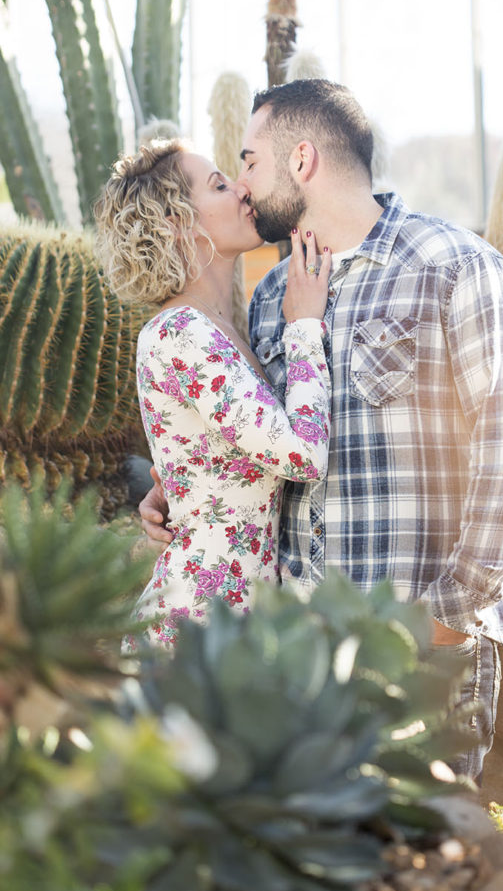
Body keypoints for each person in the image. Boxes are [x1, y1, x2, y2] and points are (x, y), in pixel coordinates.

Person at [140, 81, 503, 780]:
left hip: (417, 645)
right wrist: (175, 488)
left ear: (300, 161)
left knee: (420, 868)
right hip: (294, 654)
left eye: (247, 161)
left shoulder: (453, 267)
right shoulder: (271, 298)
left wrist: (450, 619)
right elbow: (258, 437)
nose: (240, 185)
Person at [94, 139, 332, 650]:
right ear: (180, 223)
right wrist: (306, 326)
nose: (243, 188)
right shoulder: (180, 331)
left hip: (232, 627)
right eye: (220, 185)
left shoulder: (222, 330)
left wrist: (175, 488)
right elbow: (302, 454)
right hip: (193, 631)